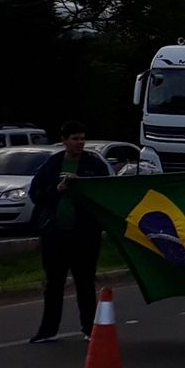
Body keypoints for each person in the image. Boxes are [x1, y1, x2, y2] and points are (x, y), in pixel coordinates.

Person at [27, 121, 113, 343]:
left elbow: (106, 193)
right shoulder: (53, 164)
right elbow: (35, 193)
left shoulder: (93, 164)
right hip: (55, 234)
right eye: (75, 139)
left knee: (85, 282)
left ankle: (89, 328)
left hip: (84, 235)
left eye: (83, 138)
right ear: (64, 141)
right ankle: (48, 329)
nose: (80, 143)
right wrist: (57, 190)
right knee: (54, 283)